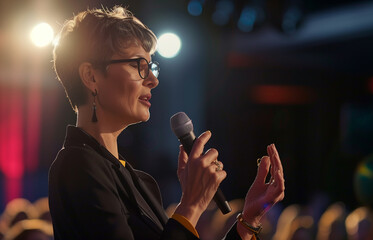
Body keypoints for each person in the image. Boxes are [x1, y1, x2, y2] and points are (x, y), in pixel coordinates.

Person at [48, 6, 285, 240]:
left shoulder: (142, 182)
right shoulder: (78, 165)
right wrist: (191, 204)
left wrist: (248, 222)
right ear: (91, 76)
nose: (152, 80)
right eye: (136, 66)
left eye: (150, 67)